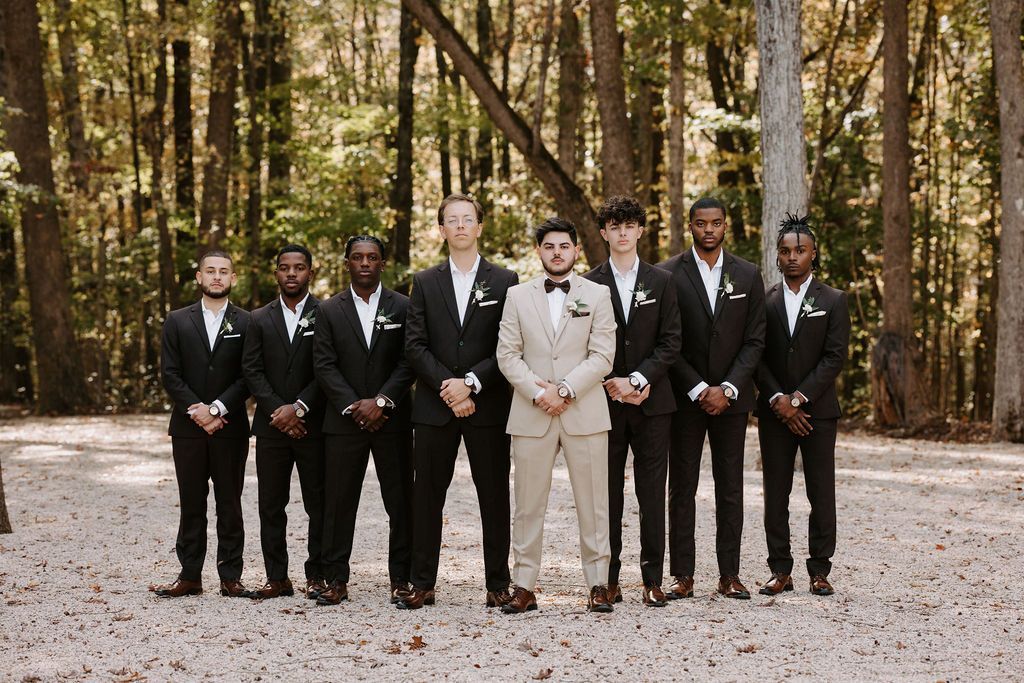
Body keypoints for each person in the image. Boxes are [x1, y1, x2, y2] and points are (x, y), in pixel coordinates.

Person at [399, 194, 519, 610]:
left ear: (480, 227)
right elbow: (414, 345)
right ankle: (421, 583)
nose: (462, 225)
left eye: (469, 219)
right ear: (442, 229)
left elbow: (510, 344)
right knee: (427, 495)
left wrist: (470, 383)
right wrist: (448, 387)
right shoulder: (425, 281)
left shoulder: (505, 280)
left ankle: (499, 583)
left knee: (494, 495)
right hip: (434, 405)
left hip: (487, 405)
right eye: (453, 220)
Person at [496, 217, 617, 614]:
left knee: (594, 502)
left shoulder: (597, 295)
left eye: (564, 246)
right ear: (539, 252)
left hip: (584, 411)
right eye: (549, 246)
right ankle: (524, 586)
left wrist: (564, 390)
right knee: (528, 504)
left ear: (577, 251)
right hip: (532, 414)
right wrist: (538, 392)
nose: (557, 253)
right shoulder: (517, 296)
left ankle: (599, 583)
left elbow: (602, 355)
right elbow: (507, 355)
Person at [658, 197, 766, 600]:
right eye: (701, 223)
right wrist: (700, 388)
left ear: (726, 226)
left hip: (733, 400)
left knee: (730, 486)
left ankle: (729, 574)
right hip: (686, 398)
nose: (708, 229)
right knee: (681, 486)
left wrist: (729, 388)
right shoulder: (668, 274)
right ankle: (682, 575)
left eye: (716, 223)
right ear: (690, 225)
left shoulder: (748, 274)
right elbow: (670, 340)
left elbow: (755, 339)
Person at [583, 196, 681, 607]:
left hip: (652, 402)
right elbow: (580, 344)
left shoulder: (662, 281)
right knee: (605, 494)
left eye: (630, 226)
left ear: (640, 231)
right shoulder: (586, 285)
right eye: (614, 226)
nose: (622, 233)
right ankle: (608, 579)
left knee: (651, 492)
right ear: (604, 232)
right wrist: (611, 381)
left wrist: (639, 380)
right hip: (603, 403)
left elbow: (672, 340)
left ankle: (653, 578)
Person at [312, 236, 416, 606]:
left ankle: (402, 579)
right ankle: (335, 578)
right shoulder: (327, 310)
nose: (365, 263)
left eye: (372, 257)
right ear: (347, 264)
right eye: (358, 258)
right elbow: (324, 364)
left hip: (394, 420)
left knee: (401, 502)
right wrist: (356, 406)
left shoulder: (403, 306)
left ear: (383, 263)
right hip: (344, 422)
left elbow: (409, 359)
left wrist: (383, 402)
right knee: (339, 502)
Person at [754, 214, 850, 597]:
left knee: (820, 492)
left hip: (817, 413)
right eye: (785, 251)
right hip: (775, 412)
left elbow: (835, 356)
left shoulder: (834, 300)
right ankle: (780, 569)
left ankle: (820, 569)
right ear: (777, 257)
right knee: (775, 493)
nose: (792, 257)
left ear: (814, 254)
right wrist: (779, 399)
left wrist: (799, 398)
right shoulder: (764, 301)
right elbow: (756, 355)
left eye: (800, 250)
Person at [152, 250, 252, 598]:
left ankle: (231, 576)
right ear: (198, 277)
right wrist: (197, 410)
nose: (216, 277)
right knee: (192, 501)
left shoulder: (246, 322)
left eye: (223, 271)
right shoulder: (177, 320)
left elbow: (248, 375)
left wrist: (219, 408)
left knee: (230, 502)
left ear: (233, 278)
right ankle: (190, 574)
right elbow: (170, 373)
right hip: (187, 427)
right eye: (210, 271)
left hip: (231, 427)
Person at [241, 244, 326, 600]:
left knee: (319, 503)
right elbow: (252, 369)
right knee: (271, 504)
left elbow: (328, 366)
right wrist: (279, 410)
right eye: (284, 268)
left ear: (311, 272)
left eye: (299, 267)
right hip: (271, 426)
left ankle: (318, 575)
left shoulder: (329, 313)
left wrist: (300, 408)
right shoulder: (258, 318)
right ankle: (277, 577)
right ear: (275, 273)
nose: (292, 273)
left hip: (314, 424)